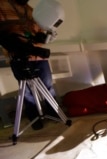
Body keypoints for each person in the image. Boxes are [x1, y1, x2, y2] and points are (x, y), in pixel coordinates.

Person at [0, 0, 57, 130]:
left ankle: (53, 112)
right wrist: (25, 48)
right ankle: (34, 116)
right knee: (26, 91)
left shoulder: (31, 10)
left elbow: (37, 30)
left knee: (48, 86)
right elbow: (3, 37)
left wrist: (42, 37)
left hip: (39, 56)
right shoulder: (2, 6)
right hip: (18, 58)